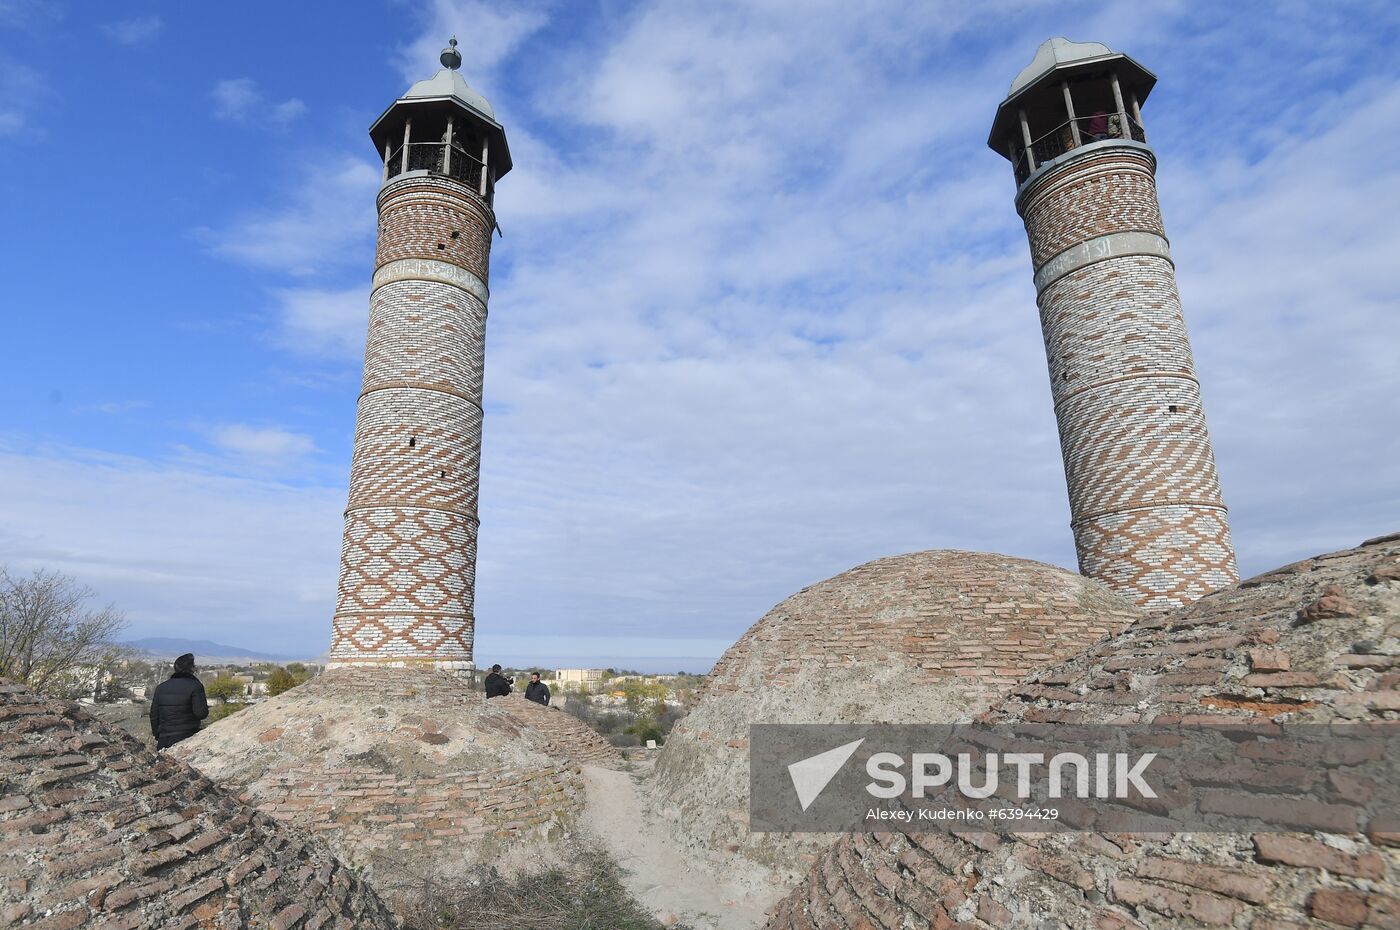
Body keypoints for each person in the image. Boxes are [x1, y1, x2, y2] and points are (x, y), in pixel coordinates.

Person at [149, 653, 209, 750]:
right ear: (192, 668)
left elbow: (154, 715)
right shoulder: (195, 686)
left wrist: (158, 735)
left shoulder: (161, 688)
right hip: (187, 737)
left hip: (164, 739)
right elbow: (201, 714)